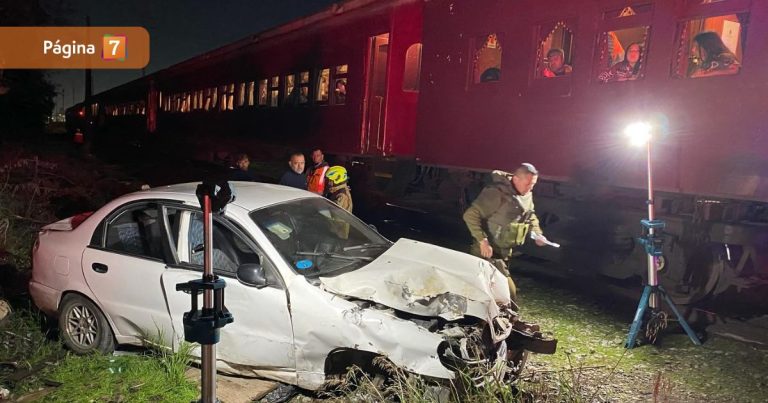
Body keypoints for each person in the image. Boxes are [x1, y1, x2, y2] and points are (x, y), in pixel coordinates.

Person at [462, 163, 550, 300]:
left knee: (490, 292)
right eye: (527, 184)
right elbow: (470, 215)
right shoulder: (496, 193)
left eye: (533, 184)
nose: (530, 188)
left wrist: (538, 234)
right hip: (487, 252)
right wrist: (482, 240)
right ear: (516, 179)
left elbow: (530, 216)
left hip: (504, 253)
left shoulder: (526, 195)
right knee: (508, 293)